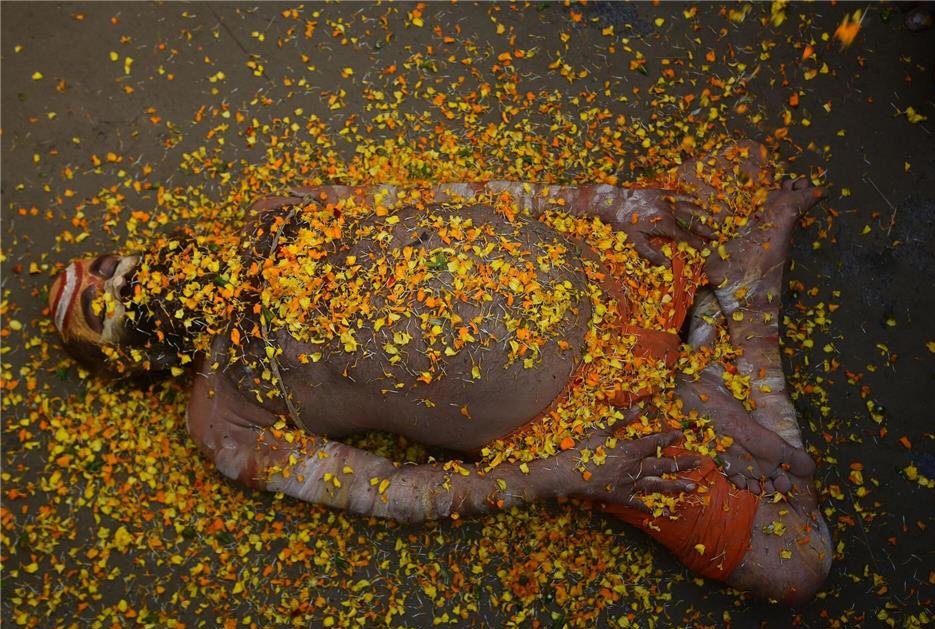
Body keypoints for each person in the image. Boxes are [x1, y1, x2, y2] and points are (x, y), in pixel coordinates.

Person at [48, 140, 831, 603]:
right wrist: (563, 473)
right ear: (136, 358)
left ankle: (723, 329)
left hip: (614, 268)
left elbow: (442, 197)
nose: (121, 285)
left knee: (740, 163)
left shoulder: (271, 212)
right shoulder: (221, 419)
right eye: (102, 308)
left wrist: (609, 205)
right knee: (796, 561)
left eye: (109, 268)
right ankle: (742, 313)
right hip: (589, 419)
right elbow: (389, 489)